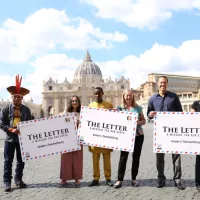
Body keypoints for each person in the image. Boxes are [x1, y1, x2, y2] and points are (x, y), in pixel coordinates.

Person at [147, 75, 185, 190]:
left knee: (176, 156)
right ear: (158, 84)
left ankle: (177, 179)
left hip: (173, 132)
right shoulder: (152, 99)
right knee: (159, 157)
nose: (163, 85)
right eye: (161, 83)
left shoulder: (173, 97)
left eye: (164, 83)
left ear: (167, 84)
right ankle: (161, 178)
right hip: (159, 133)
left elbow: (181, 113)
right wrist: (150, 114)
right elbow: (148, 114)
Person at [0, 75, 32, 192]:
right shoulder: (6, 109)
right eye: (14, 97)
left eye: (18, 97)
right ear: (11, 97)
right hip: (9, 139)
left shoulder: (26, 110)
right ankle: (7, 182)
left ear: (21, 98)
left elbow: (30, 123)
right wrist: (10, 129)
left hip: (22, 140)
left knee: (21, 161)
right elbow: (1, 123)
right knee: (8, 161)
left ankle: (18, 179)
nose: (16, 99)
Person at [114, 89, 146, 188]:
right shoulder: (119, 108)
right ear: (123, 96)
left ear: (133, 97)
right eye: (127, 95)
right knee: (123, 158)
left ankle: (134, 179)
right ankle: (119, 180)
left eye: (130, 95)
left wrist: (137, 122)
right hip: (125, 136)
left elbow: (144, 121)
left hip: (138, 135)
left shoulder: (138, 108)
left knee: (136, 158)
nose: (128, 97)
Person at [88, 87, 113, 187]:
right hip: (95, 138)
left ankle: (108, 178)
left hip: (106, 137)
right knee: (95, 160)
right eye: (95, 93)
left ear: (102, 93)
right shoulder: (90, 106)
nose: (97, 95)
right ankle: (96, 178)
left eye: (99, 93)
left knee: (107, 159)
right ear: (93, 94)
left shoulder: (109, 105)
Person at [60, 95, 83, 186]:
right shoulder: (66, 112)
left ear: (79, 102)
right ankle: (64, 178)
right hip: (67, 138)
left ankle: (77, 177)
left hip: (78, 138)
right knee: (65, 158)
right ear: (70, 102)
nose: (74, 102)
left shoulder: (82, 113)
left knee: (77, 158)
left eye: (76, 101)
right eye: (73, 101)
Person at [191, 100, 200, 190]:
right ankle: (198, 182)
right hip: (199, 135)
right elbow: (191, 118)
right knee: (199, 160)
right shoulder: (196, 103)